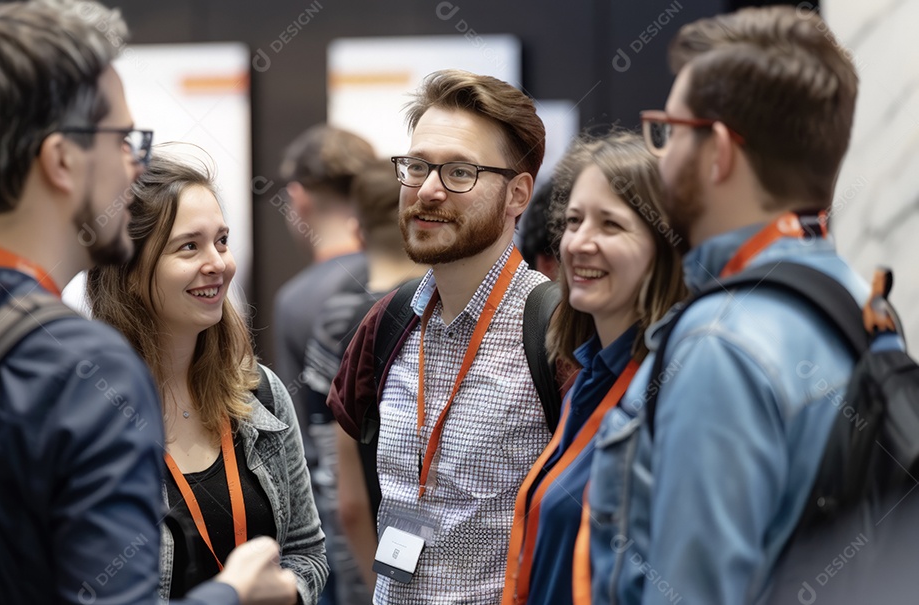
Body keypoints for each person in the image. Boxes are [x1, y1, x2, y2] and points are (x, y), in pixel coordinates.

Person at [0, 2, 295, 604]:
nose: (134, 164)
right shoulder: (86, 368)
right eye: (123, 140)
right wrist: (234, 592)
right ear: (60, 160)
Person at [585, 6, 867, 604]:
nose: (659, 156)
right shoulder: (861, 300)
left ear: (716, 150)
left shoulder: (721, 345)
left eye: (668, 131)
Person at [328, 68, 549, 604]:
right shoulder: (387, 321)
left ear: (517, 193)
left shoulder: (555, 328)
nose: (427, 190)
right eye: (418, 166)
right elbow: (353, 502)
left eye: (459, 172)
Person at [87, 152, 328, 604]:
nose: (218, 263)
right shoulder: (87, 415)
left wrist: (285, 591)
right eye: (189, 246)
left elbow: (307, 552)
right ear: (131, 270)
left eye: (221, 240)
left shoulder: (261, 394)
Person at [500, 131, 686, 605]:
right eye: (574, 221)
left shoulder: (673, 391)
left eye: (611, 225)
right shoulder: (584, 376)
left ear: (664, 247)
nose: (580, 243)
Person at [301, 158, 428, 599]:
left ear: (358, 229)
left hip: (353, 552)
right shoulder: (431, 314)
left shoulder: (335, 316)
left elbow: (334, 468)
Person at [273, 124, 376, 605]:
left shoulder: (296, 302)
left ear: (298, 199)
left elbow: (299, 440)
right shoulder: (412, 282)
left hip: (332, 528)